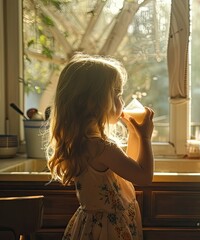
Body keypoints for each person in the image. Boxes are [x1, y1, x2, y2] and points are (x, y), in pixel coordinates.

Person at [46, 53, 154, 239]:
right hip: (110, 230)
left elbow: (129, 169)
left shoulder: (83, 142)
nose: (122, 101)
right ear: (94, 102)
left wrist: (134, 133)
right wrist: (145, 137)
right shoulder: (102, 148)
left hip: (93, 227)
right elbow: (143, 176)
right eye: (117, 94)